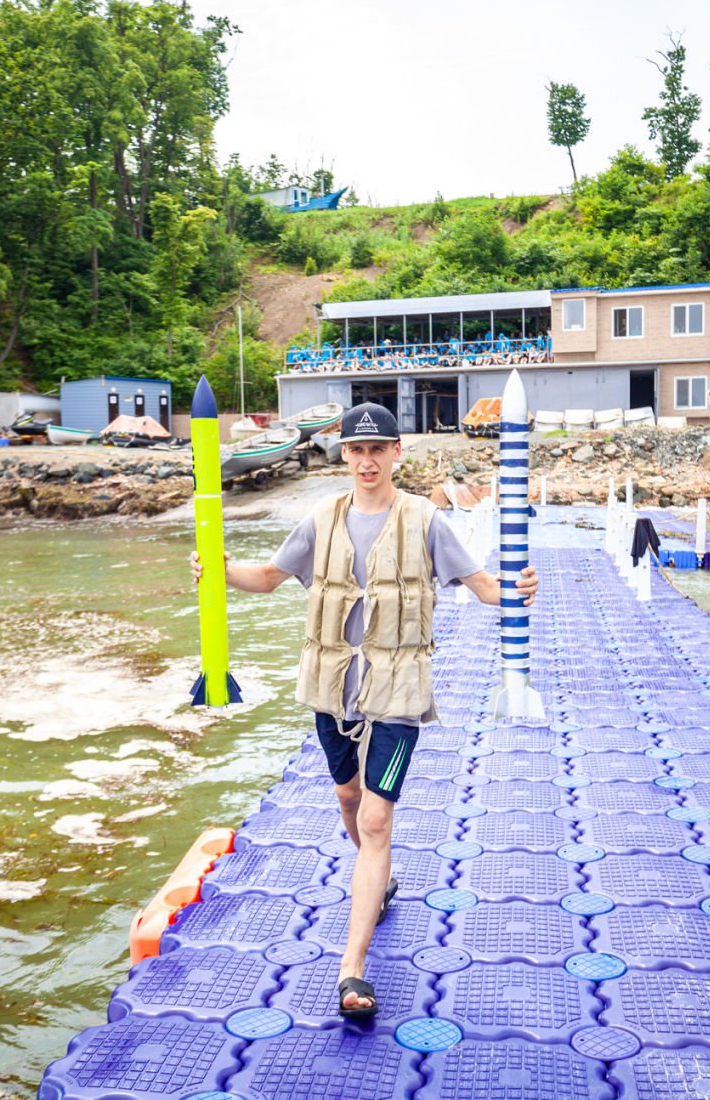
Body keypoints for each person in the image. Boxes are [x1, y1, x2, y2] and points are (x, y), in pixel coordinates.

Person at [190, 402, 538, 1021]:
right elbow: (267, 577)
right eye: (357, 449)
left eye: (379, 449)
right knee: (349, 799)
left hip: (398, 690)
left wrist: (517, 588)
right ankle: (379, 877)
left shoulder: (425, 519)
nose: (368, 460)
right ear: (344, 455)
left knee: (377, 821)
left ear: (397, 452)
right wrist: (219, 571)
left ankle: (352, 969)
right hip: (333, 687)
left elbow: (484, 586)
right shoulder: (322, 518)